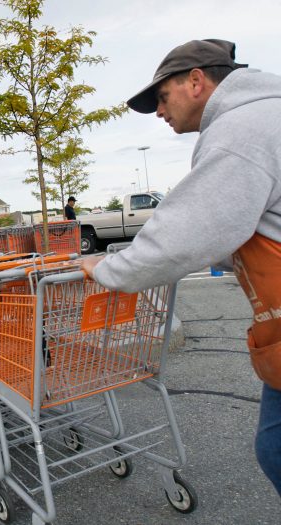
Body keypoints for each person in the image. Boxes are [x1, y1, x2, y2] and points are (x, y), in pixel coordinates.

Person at [80, 39, 281, 495]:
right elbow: (239, 228)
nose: (159, 112)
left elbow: (182, 235)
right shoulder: (263, 116)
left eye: (162, 98)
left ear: (196, 81)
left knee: (277, 449)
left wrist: (106, 269)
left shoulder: (242, 130)